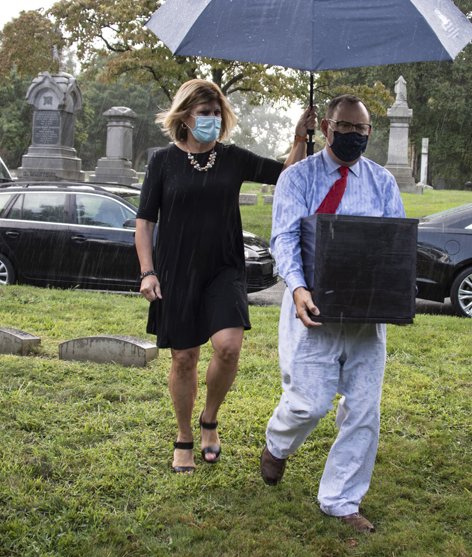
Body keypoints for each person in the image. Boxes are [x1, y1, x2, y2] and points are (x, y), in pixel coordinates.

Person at [135, 79, 316, 474]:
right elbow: (145, 222)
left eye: (217, 113)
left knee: (229, 347)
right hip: (176, 270)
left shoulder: (232, 158)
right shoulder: (163, 161)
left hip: (224, 267)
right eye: (205, 113)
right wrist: (147, 271)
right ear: (185, 116)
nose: (212, 120)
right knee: (184, 358)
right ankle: (184, 436)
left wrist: (300, 135)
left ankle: (209, 419)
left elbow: (287, 173)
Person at [260, 94, 404, 533]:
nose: (352, 136)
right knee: (309, 403)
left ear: (370, 133)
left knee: (363, 408)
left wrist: (393, 291)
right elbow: (283, 239)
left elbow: (395, 244)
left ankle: (341, 500)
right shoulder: (297, 178)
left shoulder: (382, 182)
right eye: (343, 127)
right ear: (325, 127)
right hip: (313, 308)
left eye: (360, 130)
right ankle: (277, 444)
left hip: (366, 315)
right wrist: (298, 287)